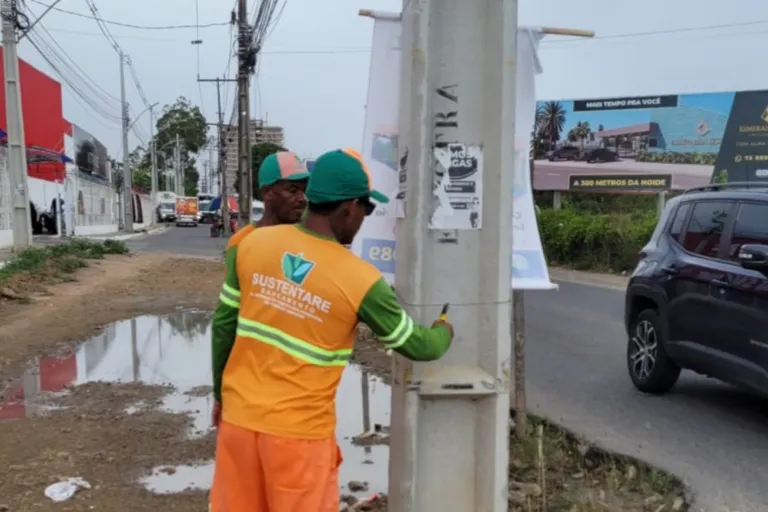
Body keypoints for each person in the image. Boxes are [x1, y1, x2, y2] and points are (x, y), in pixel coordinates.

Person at [209, 148, 454, 512]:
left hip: (239, 425)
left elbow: (223, 327)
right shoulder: (360, 280)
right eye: (367, 208)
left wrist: (220, 395)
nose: (364, 218)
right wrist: (444, 328)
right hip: (298, 439)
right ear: (350, 207)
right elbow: (419, 345)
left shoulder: (251, 245)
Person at [211, 150, 309, 425]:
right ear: (267, 193)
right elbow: (225, 323)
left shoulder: (313, 241)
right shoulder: (241, 244)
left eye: (304, 191)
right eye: (292, 190)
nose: (302, 198)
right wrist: (220, 392)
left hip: (299, 392)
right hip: (254, 387)